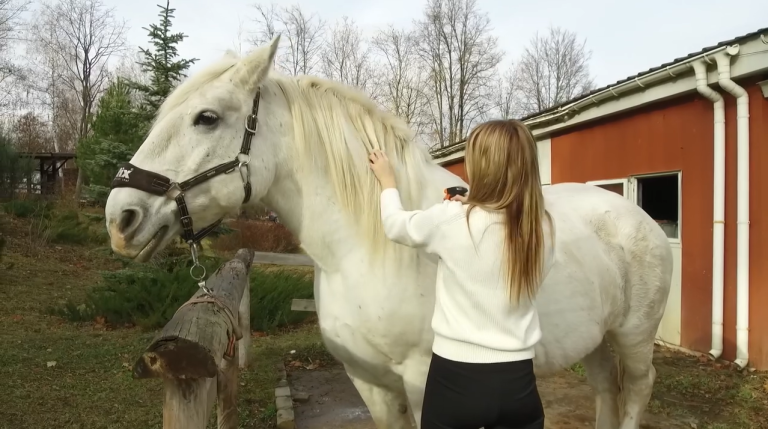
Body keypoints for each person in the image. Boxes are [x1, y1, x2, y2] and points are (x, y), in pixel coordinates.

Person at [368, 119, 555, 429]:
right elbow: (500, 231)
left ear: (482, 167)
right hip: (519, 386)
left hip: (456, 382)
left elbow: (395, 225)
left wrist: (388, 183)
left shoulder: (451, 220)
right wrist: (475, 207)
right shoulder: (542, 228)